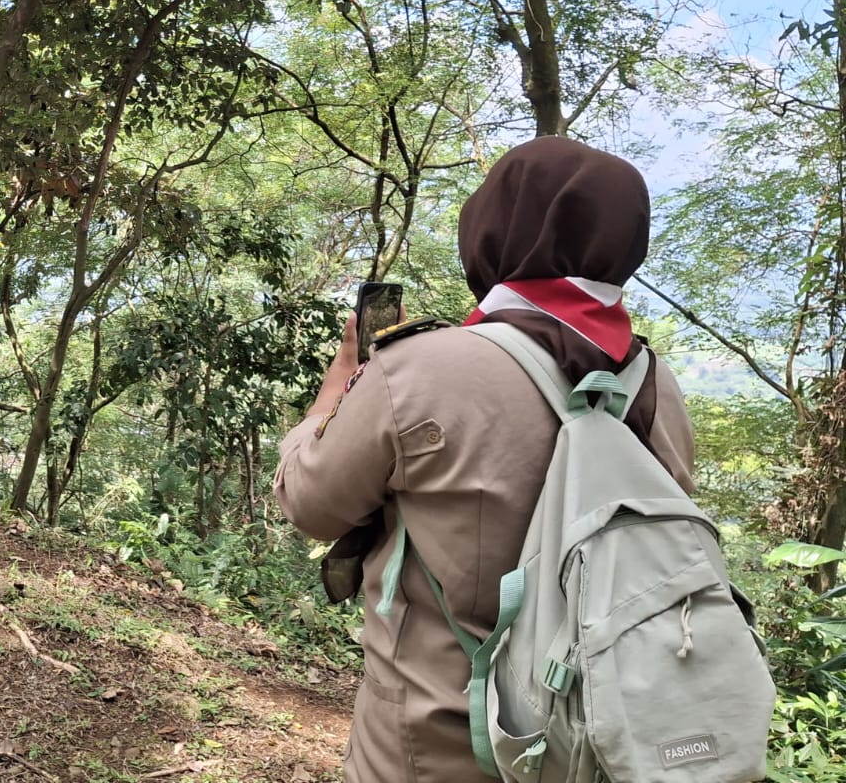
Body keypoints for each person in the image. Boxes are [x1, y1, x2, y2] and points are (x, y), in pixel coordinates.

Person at [273, 138, 696, 782]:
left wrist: (339, 384)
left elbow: (309, 503)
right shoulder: (656, 388)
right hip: (598, 742)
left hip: (430, 747)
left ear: (493, 228)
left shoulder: (420, 368)